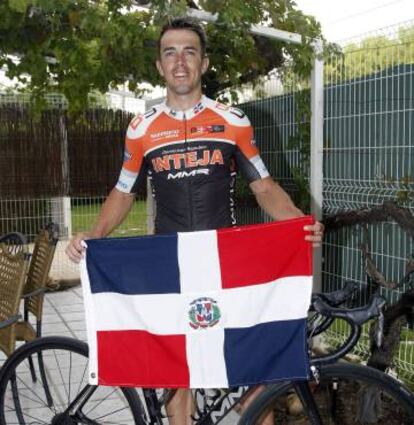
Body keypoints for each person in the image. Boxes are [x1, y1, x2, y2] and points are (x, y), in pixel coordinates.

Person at [66, 16, 324, 425]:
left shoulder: (233, 121)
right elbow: (123, 191)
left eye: (189, 52)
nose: (180, 61)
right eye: (170, 53)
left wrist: (298, 221)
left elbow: (263, 186)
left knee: (257, 359)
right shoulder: (141, 129)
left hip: (226, 261)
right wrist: (93, 236)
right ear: (160, 66)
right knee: (176, 373)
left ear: (204, 64)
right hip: (169, 264)